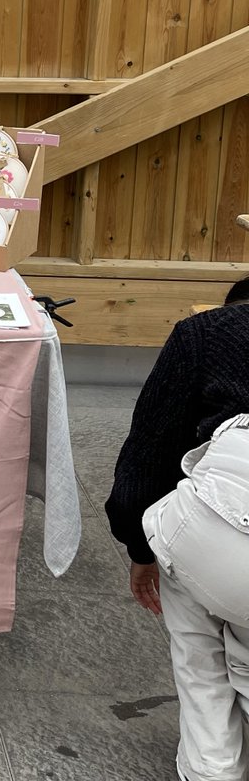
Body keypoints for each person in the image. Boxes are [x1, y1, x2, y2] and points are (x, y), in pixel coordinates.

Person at [106, 277, 249, 781]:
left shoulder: (207, 332)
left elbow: (150, 454)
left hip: (222, 532)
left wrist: (141, 548)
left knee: (201, 660)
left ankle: (213, 770)